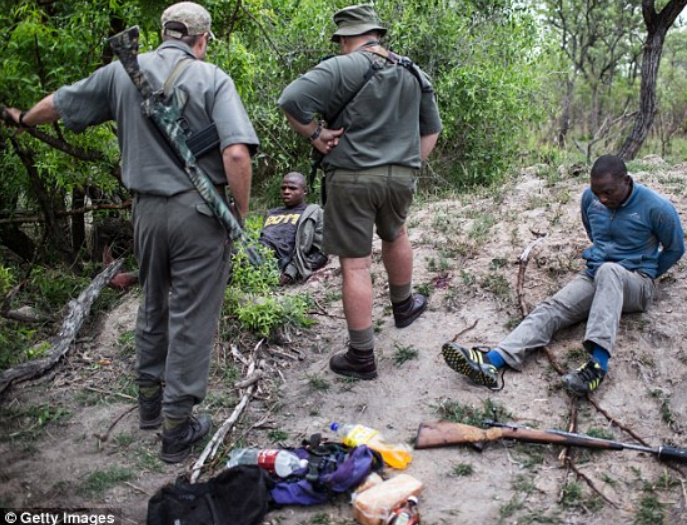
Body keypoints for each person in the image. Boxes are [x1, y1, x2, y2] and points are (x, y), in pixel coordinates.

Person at [4, 2, 259, 463]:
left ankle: (148, 404)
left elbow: (59, 103)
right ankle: (177, 427)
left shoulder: (120, 71)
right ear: (201, 40)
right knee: (191, 314)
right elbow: (237, 155)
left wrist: (22, 118)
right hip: (198, 213)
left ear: (163, 32)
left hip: (144, 212)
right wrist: (237, 216)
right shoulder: (213, 78)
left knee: (153, 301)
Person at [277, 4, 442, 380]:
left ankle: (362, 356)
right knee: (396, 233)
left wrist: (316, 135)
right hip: (400, 177)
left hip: (351, 177)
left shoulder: (342, 66)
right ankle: (404, 306)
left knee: (355, 263)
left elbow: (291, 99)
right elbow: (431, 129)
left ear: (346, 38)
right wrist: (408, 164)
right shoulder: (413, 71)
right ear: (377, 34)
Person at [443, 155, 685, 395]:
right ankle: (492, 361)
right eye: (597, 191)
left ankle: (597, 365)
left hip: (636, 283)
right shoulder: (590, 199)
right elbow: (594, 233)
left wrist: (647, 272)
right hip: (596, 276)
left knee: (611, 271)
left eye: (608, 192)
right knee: (552, 307)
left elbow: (675, 249)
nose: (602, 198)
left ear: (626, 180)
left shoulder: (657, 207)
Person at [259, 171, 328, 284]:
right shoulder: (271, 213)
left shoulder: (313, 213)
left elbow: (321, 252)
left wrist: (292, 270)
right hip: (259, 253)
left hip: (280, 261)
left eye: (292, 188)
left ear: (304, 191)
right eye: (283, 188)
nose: (286, 192)